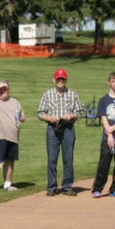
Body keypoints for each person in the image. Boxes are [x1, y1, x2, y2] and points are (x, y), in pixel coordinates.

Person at [37, 68, 82, 196]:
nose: (60, 81)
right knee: (52, 159)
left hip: (68, 128)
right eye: (58, 79)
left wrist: (71, 115)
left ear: (66, 80)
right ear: (54, 80)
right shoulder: (47, 94)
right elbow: (40, 113)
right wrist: (50, 118)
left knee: (68, 159)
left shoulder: (72, 94)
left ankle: (67, 186)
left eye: (62, 79)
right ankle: (51, 187)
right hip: (53, 128)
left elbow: (80, 113)